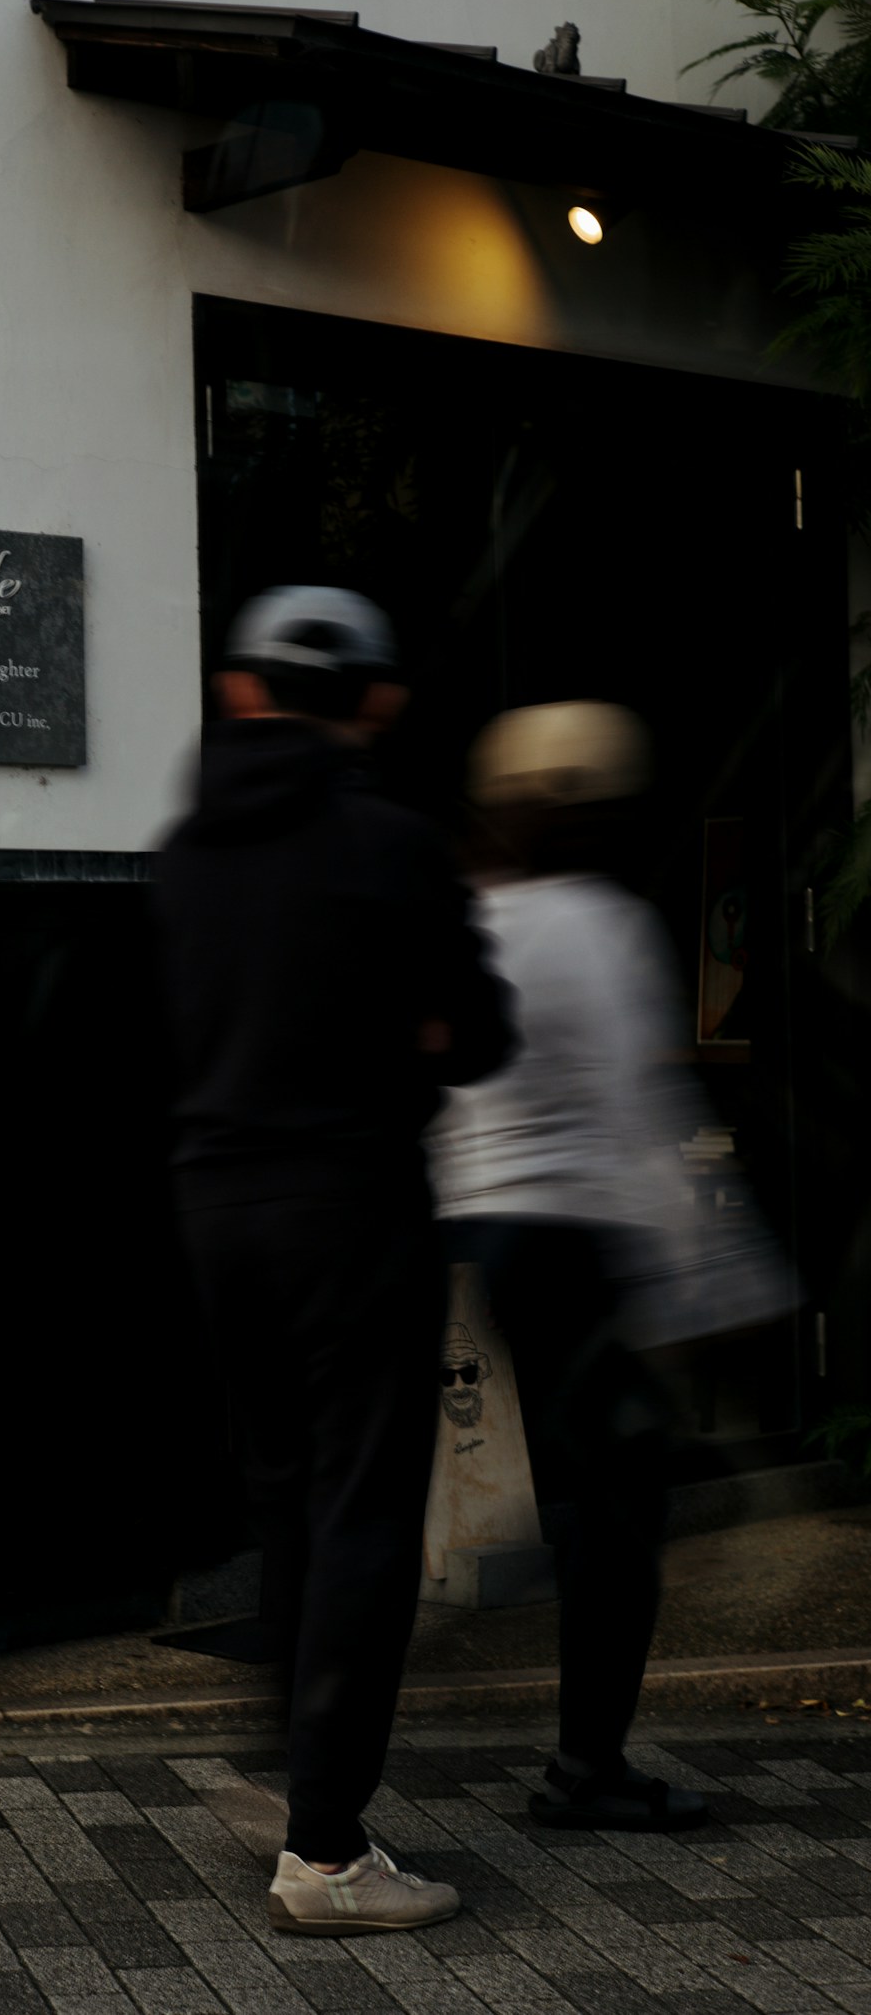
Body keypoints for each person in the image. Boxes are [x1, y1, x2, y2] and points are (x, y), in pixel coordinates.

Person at [156, 585, 513, 1934]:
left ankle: (300, 1773)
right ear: (373, 699)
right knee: (366, 1507)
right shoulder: (394, 844)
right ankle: (324, 1847)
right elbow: (477, 1033)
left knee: (288, 1497)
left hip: (213, 1206)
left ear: (242, 691)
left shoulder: (186, 850)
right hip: (354, 1203)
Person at [430, 700, 792, 1833]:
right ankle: (587, 1766)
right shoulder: (600, 923)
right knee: (618, 1503)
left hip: (484, 1227)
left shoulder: (469, 914)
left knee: (578, 1486)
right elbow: (643, 1118)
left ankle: (559, 1743)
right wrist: (722, 1284)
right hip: (577, 1237)